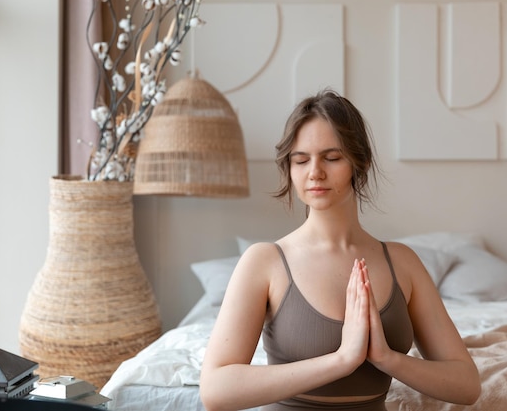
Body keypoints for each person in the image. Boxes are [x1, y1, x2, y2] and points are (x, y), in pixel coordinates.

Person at [199, 89, 481, 411]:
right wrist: (341, 360)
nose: (315, 172)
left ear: (359, 162)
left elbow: (467, 384)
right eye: (301, 160)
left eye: (332, 158)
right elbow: (215, 391)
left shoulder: (403, 262)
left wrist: (387, 359)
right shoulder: (264, 262)